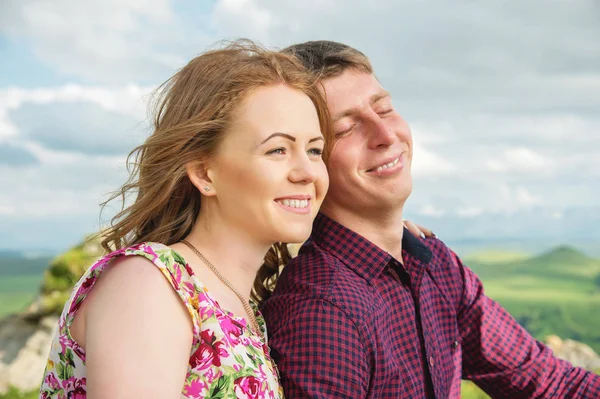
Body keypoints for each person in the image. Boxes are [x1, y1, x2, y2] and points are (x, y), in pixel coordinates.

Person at [261, 41, 600, 399]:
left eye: (385, 109)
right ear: (310, 161)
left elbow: (545, 381)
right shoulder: (322, 312)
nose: (386, 135)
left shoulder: (433, 264)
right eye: (346, 129)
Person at [39, 40, 333, 398]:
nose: (307, 172)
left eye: (314, 149)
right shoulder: (151, 283)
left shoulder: (242, 305)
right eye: (277, 150)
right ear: (204, 174)